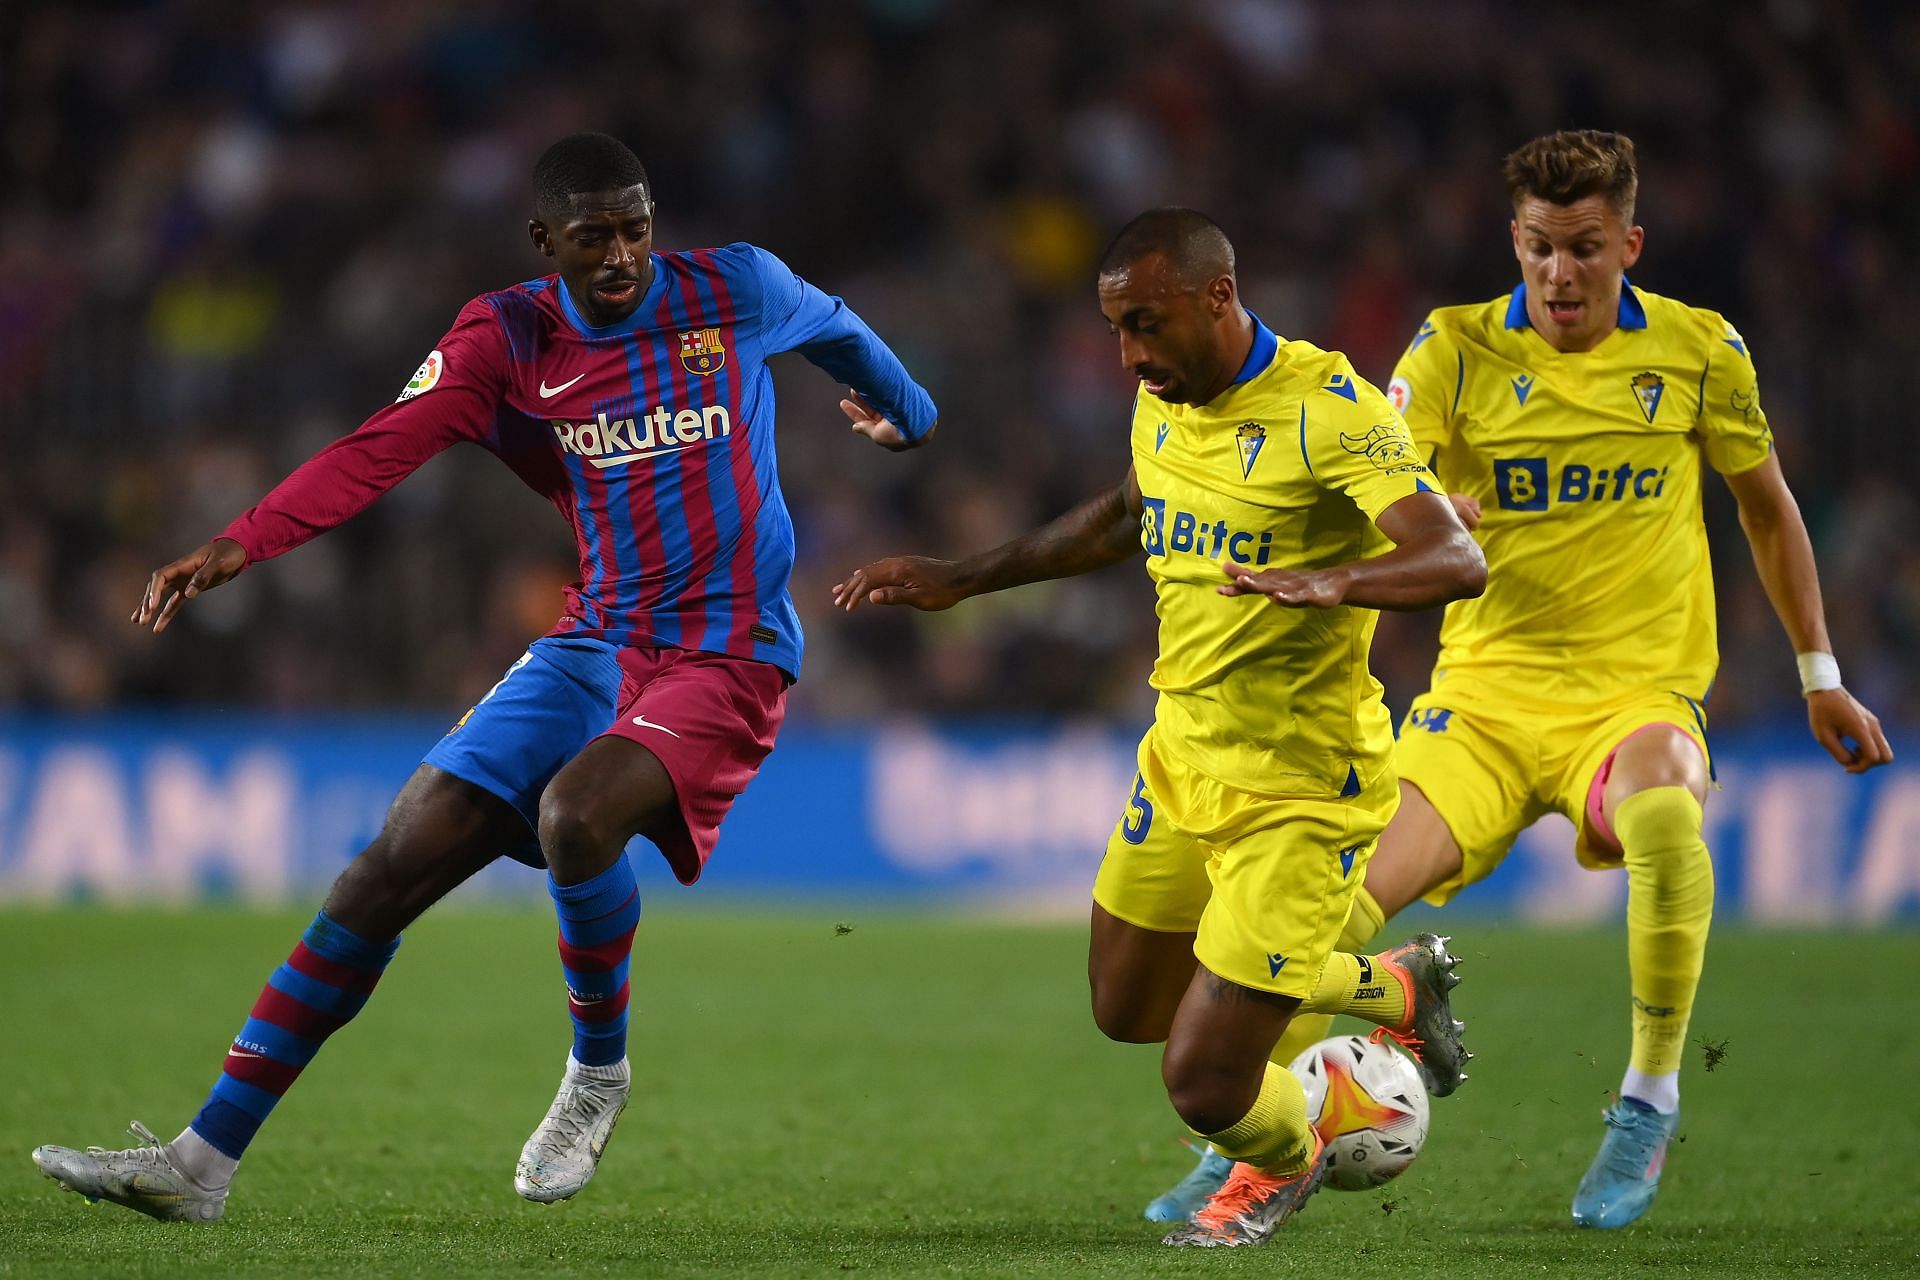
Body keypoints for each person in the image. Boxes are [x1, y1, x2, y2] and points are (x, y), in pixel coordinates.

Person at [30, 132, 938, 1222]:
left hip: (726, 647)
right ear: (543, 239)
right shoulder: (506, 336)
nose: (620, 253)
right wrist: (243, 540)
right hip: (598, 637)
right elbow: (379, 446)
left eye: (636, 226)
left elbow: (837, 325)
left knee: (575, 817)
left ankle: (596, 1072)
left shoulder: (732, 287)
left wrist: (908, 415)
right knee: (381, 873)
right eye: (593, 233)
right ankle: (199, 1162)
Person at [1142, 129, 1894, 1230]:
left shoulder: (1699, 351)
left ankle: (1645, 1100)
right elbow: (1371, 478)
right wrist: (1431, 512)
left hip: (1632, 699)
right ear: (1516, 241)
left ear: (1628, 243)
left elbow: (1766, 505)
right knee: (1310, 918)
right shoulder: (1449, 352)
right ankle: (1257, 1126)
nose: (1561, 272)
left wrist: (1819, 672)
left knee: (1670, 823)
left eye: (1586, 247)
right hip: (1482, 705)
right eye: (1541, 247)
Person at [834, 208, 1485, 1247]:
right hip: (1181, 758)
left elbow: (1455, 557)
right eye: (1117, 331)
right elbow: (1126, 513)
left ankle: (1286, 1150)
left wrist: (1335, 578)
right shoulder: (1162, 399)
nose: (1131, 354)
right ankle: (1391, 980)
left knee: (1203, 1077)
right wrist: (965, 577)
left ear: (1217, 296)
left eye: (1146, 323)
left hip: (1301, 787)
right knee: (1127, 1005)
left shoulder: (1331, 409)